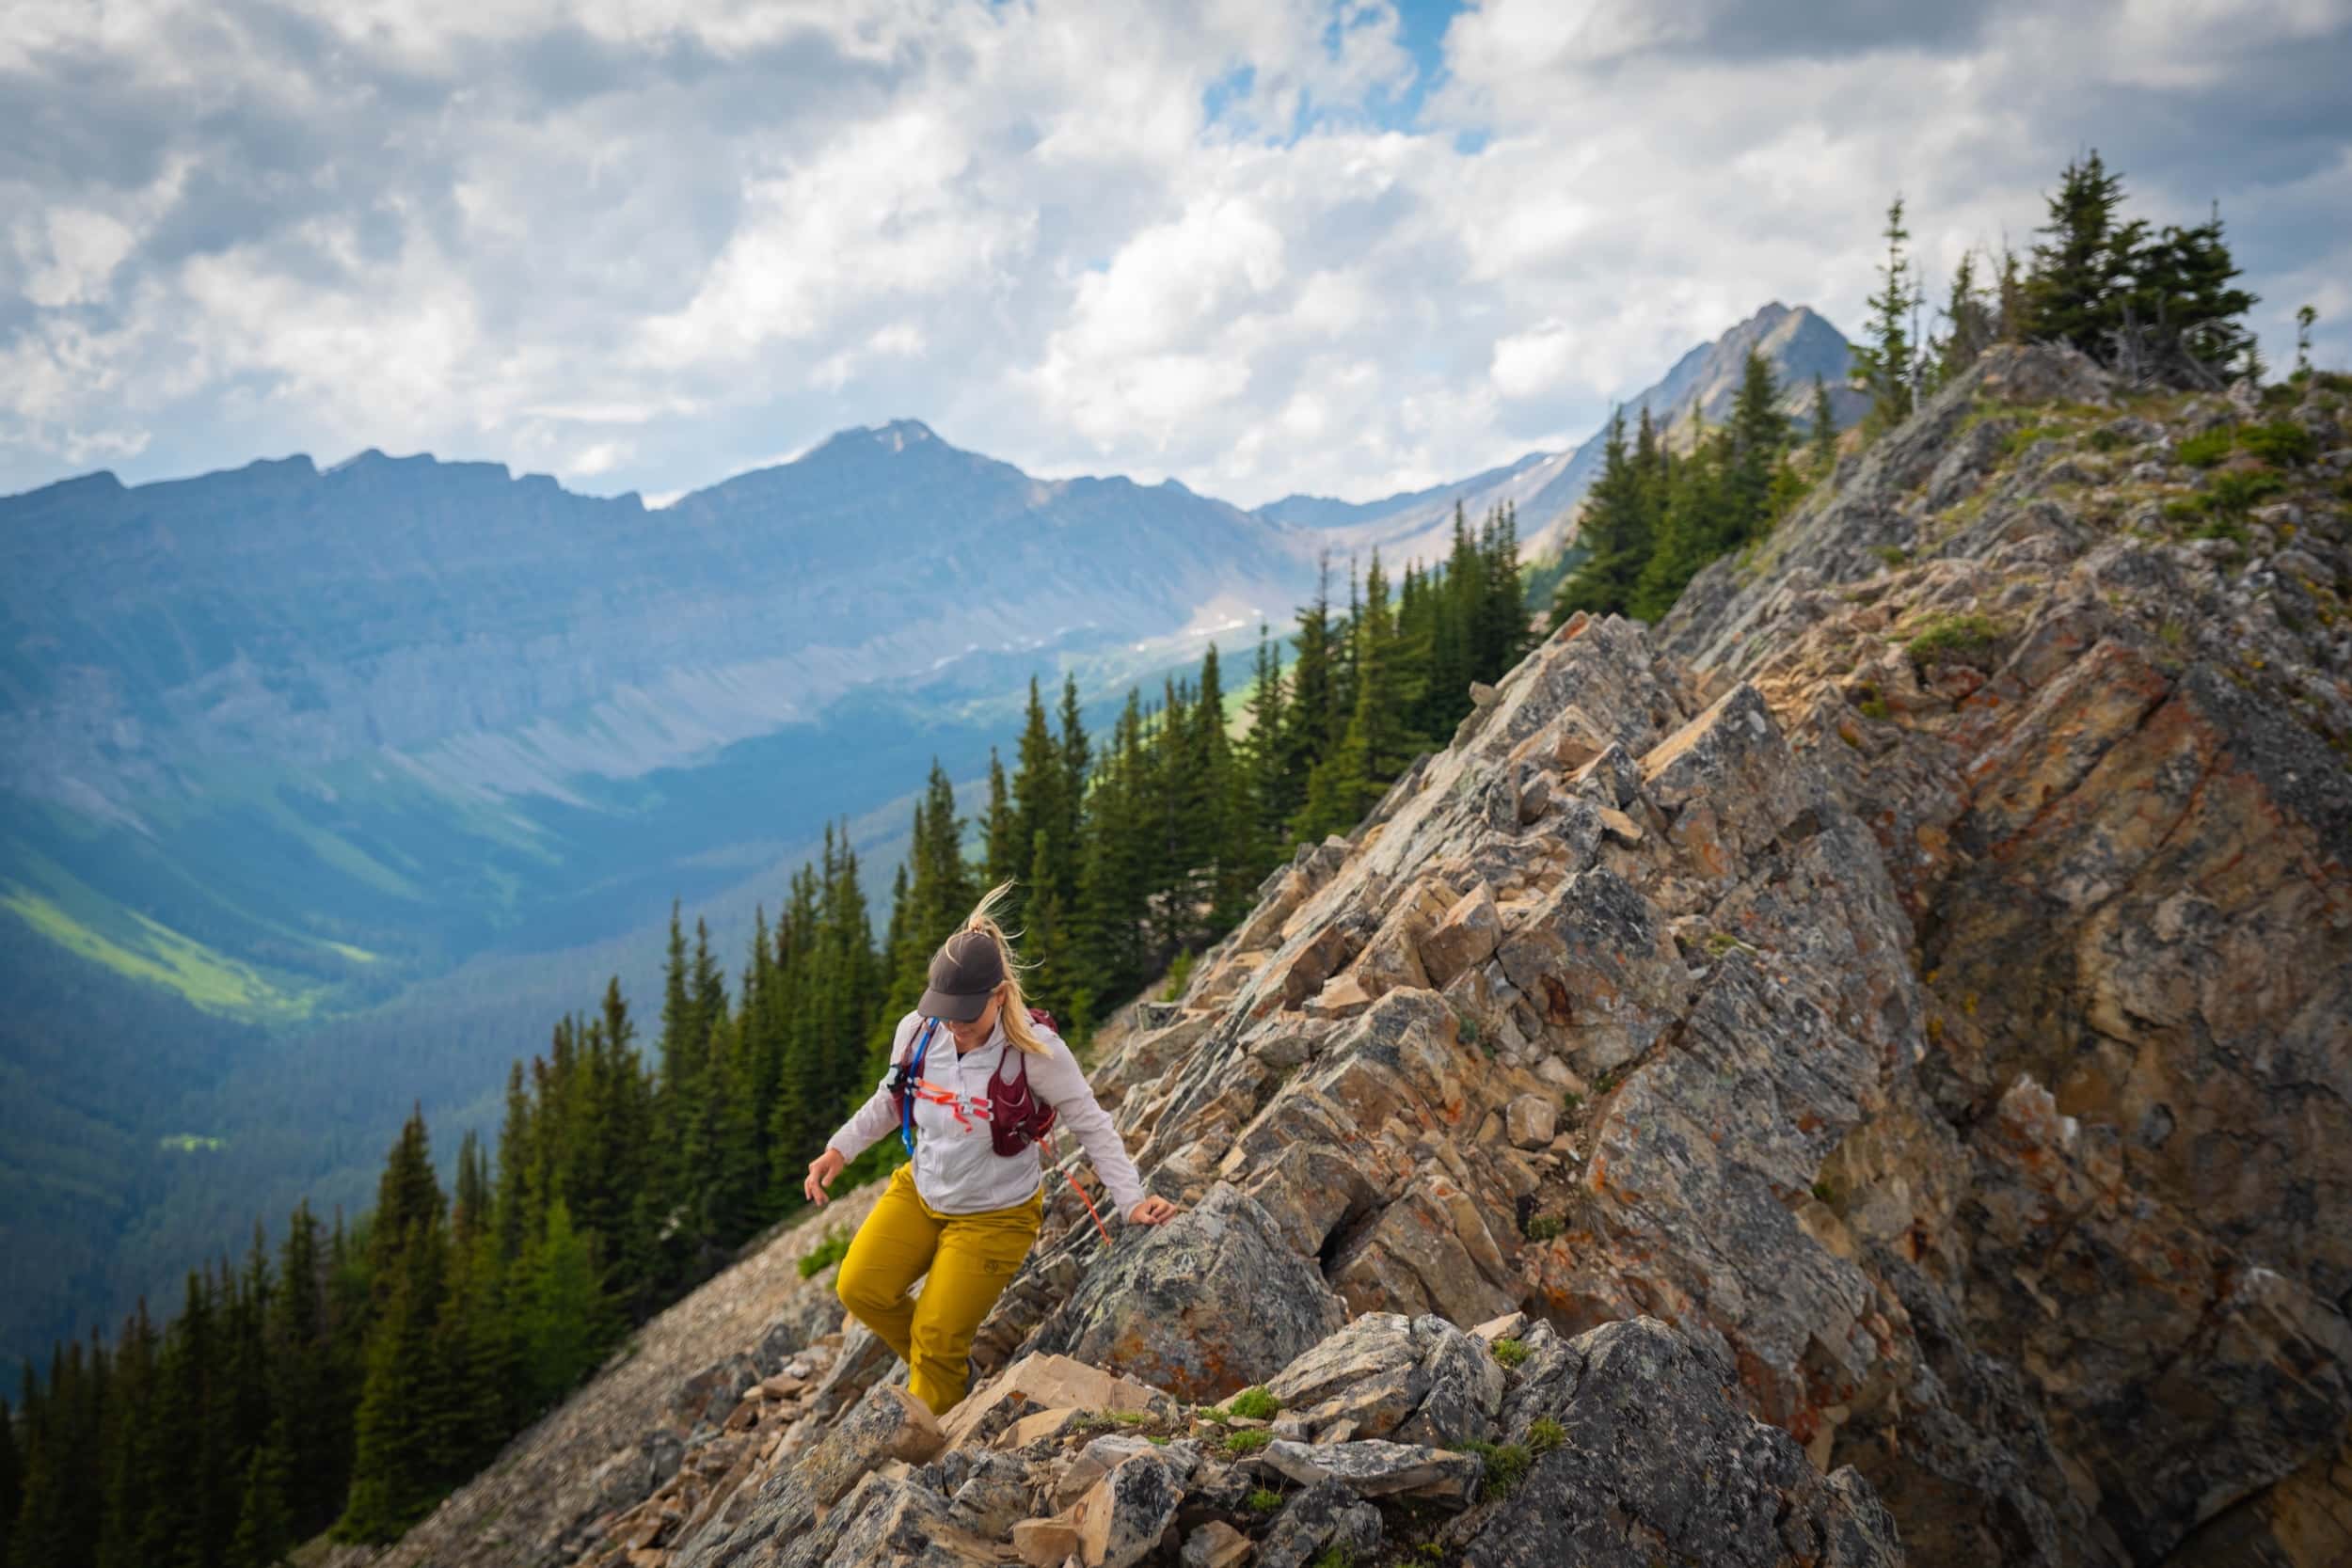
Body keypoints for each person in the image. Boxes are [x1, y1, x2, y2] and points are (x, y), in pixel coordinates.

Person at [803, 879, 1179, 1415]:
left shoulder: (1035, 1051)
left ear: (999, 996)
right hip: (922, 1188)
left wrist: (1131, 1202)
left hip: (995, 1215)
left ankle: (928, 1443)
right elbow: (891, 1100)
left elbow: (1092, 1124)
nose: (954, 1024)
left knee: (935, 1337)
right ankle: (944, 1366)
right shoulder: (918, 1031)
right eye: (944, 1010)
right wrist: (839, 1150)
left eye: (966, 1013)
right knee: (859, 1286)